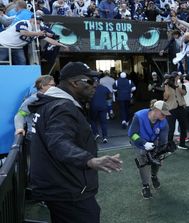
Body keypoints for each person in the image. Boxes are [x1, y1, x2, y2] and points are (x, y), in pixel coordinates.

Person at [28, 62, 122, 223]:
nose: (96, 86)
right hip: (67, 189)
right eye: (91, 81)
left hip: (58, 185)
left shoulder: (51, 103)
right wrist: (89, 160)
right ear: (75, 83)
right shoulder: (62, 107)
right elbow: (58, 142)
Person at [0, 15, 67, 65]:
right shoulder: (24, 23)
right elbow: (23, 32)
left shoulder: (37, 30)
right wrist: (37, 33)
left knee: (22, 62)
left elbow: (48, 39)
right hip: (4, 44)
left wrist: (60, 44)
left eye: (38, 22)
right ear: (31, 19)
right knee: (2, 61)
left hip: (17, 47)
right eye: (35, 21)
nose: (37, 23)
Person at [164, 71, 189, 150]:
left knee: (183, 126)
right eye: (174, 77)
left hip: (181, 108)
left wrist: (177, 84)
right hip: (171, 109)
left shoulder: (182, 85)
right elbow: (166, 96)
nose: (175, 78)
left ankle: (182, 144)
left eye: (176, 76)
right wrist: (166, 85)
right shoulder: (167, 86)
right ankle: (169, 145)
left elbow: (183, 93)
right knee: (171, 128)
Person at [90, 79, 112, 143]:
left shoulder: (90, 88)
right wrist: (105, 98)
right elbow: (110, 96)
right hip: (103, 106)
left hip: (93, 106)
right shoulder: (105, 88)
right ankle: (105, 137)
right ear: (99, 82)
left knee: (93, 120)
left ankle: (96, 133)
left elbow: (87, 97)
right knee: (103, 122)